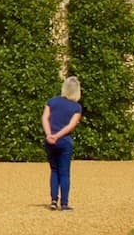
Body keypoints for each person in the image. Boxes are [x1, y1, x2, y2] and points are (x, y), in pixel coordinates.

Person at [41, 77, 84, 211]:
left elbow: (45, 118)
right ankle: (64, 204)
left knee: (54, 170)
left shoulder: (52, 101)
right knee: (64, 173)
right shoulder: (76, 107)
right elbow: (71, 125)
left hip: (50, 141)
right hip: (64, 141)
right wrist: (57, 136)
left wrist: (49, 135)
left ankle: (54, 200)